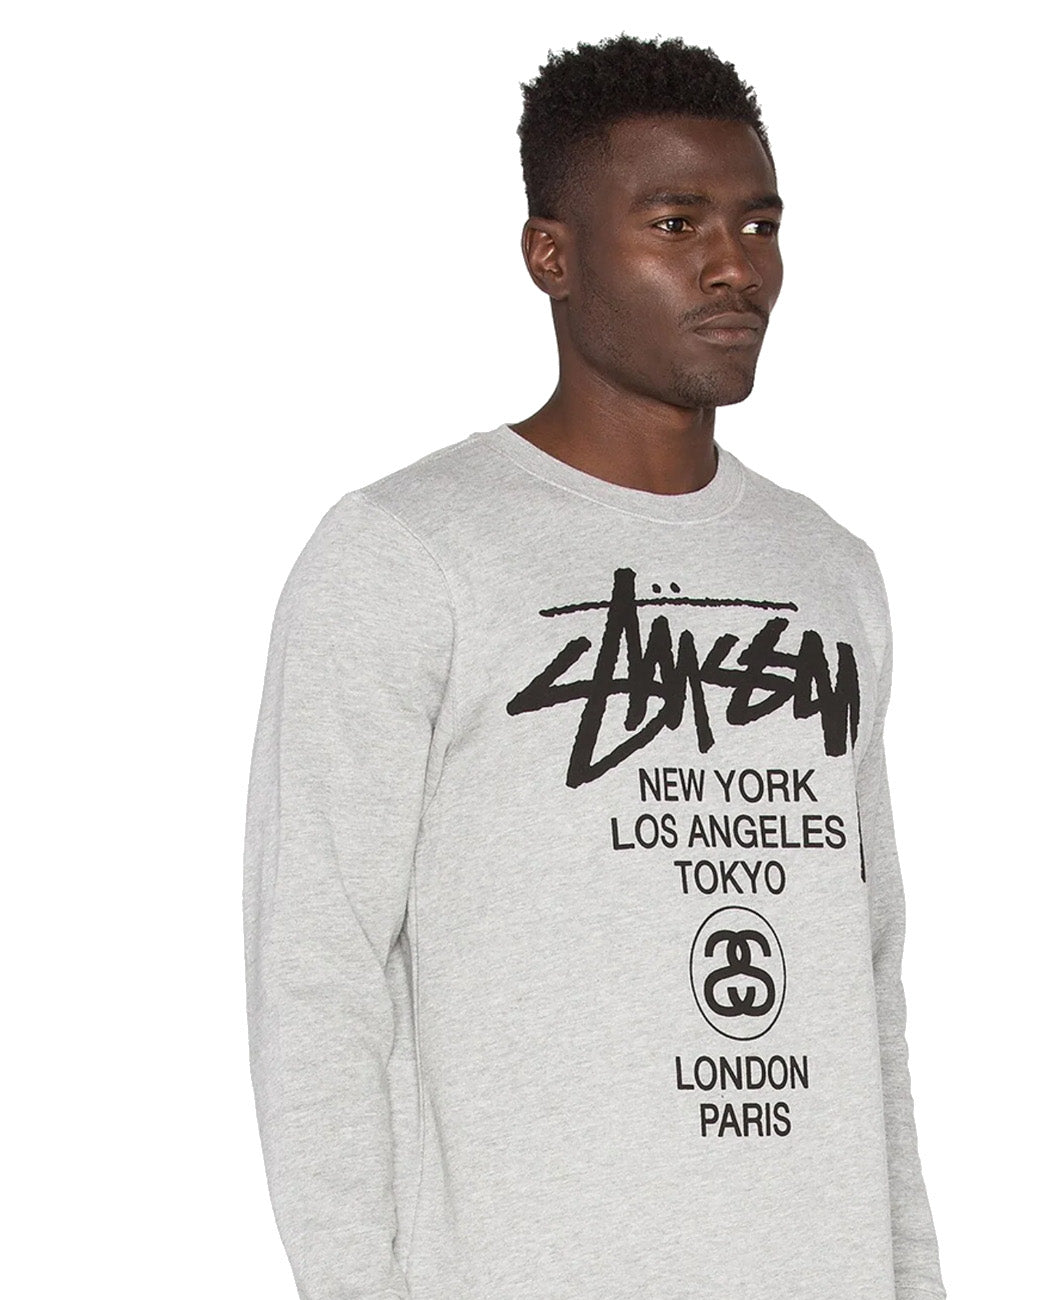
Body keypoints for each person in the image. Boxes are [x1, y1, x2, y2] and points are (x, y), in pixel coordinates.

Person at [243, 33, 948, 1300]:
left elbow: (867, 982)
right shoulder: (408, 553)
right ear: (551, 256)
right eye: (677, 224)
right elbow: (317, 975)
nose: (735, 266)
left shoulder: (828, 571)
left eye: (760, 224)